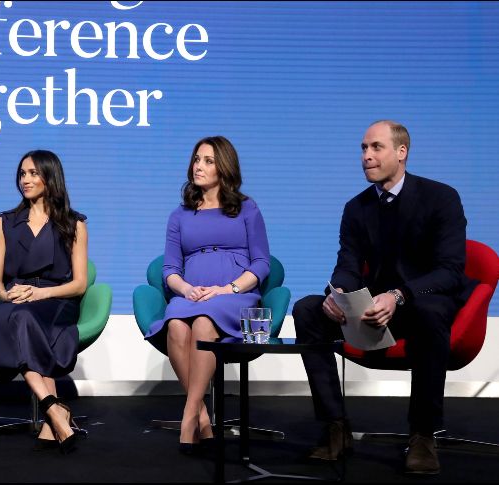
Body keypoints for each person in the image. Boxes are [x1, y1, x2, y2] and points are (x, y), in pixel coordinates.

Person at [293, 120, 477, 475]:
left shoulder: (441, 197)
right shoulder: (356, 207)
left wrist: (399, 294)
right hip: (373, 307)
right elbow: (347, 263)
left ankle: (423, 435)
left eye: (375, 147)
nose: (366, 156)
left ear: (401, 152)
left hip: (422, 299)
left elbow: (450, 270)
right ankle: (335, 426)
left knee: (429, 311)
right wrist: (339, 293)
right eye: (363, 148)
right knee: (307, 310)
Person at [144, 136, 270, 454]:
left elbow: (262, 263)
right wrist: (186, 288)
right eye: (197, 159)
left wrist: (228, 289)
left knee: (203, 323)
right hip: (193, 295)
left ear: (224, 167)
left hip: (235, 297)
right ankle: (202, 415)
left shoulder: (246, 209)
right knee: (175, 324)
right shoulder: (180, 215)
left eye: (208, 161)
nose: (198, 166)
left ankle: (189, 416)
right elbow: (170, 269)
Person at [0, 150, 88, 454]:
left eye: (34, 173)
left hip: (55, 299)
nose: (26, 179)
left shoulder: (74, 224)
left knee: (23, 319)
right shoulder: (5, 222)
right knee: (14, 316)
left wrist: (41, 293)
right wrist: (5, 294)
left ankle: (53, 413)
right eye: (23, 173)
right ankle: (54, 408)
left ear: (51, 177)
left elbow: (78, 284)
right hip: (16, 298)